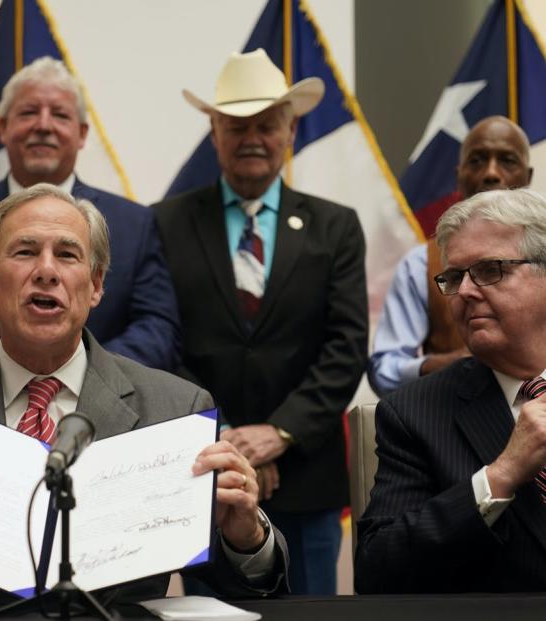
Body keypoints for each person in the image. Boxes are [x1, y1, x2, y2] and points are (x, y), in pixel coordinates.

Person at [0, 184, 289, 605]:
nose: (46, 271)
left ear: (96, 285)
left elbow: (238, 579)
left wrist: (247, 536)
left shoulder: (175, 409)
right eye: (24, 252)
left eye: (67, 254)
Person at [152, 49, 368, 595]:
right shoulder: (165, 223)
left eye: (266, 125)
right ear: (214, 131)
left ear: (290, 130)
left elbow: (345, 346)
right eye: (237, 126)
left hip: (306, 477)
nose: (253, 138)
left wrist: (279, 434)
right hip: (204, 476)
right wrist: (223, 437)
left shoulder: (336, 227)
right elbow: (161, 341)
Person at [0, 56, 180, 374]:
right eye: (28, 112)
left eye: (60, 114)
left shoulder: (133, 225)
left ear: (82, 134)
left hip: (102, 417)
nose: (43, 125)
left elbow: (160, 332)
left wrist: (84, 376)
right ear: (2, 128)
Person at [355, 188, 546, 592]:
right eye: (455, 276)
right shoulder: (415, 413)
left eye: (491, 269)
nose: (466, 292)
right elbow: (378, 570)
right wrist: (500, 477)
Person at [369, 116, 533, 396]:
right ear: (458, 175)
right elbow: (385, 369)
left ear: (527, 177)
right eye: (477, 160)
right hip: (456, 420)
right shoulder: (422, 265)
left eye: (507, 160)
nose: (491, 173)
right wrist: (452, 364)